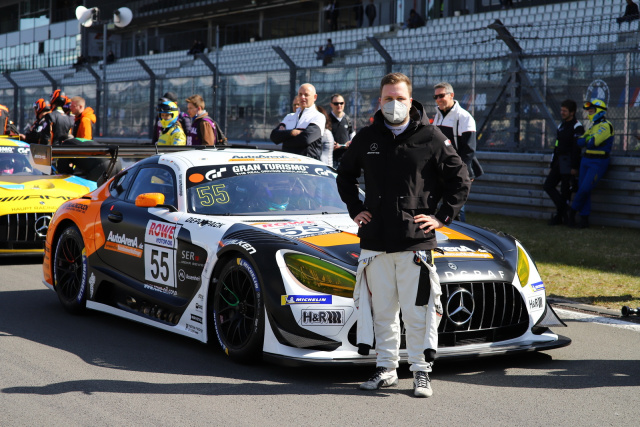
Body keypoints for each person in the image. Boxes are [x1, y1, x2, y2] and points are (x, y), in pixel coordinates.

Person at [336, 72, 470, 398]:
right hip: (376, 240)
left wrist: (441, 217)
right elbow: (345, 175)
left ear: (411, 101)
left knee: (417, 311)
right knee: (382, 311)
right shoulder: (367, 136)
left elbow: (461, 178)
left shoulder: (431, 136)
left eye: (399, 98)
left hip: (415, 240)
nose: (393, 104)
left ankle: (421, 371)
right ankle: (386, 368)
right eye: (388, 98)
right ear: (379, 101)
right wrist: (356, 209)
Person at [432, 82, 483, 222]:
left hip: (458, 170)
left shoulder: (464, 117)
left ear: (451, 95)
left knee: (457, 208)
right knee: (442, 207)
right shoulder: (437, 116)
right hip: (442, 170)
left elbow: (469, 151)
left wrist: (461, 173)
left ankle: (461, 234)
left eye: (441, 96)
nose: (438, 100)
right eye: (435, 97)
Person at [568, 99, 614, 229]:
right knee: (583, 189)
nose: (589, 112)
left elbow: (592, 142)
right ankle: (584, 219)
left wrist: (586, 139)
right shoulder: (592, 126)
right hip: (586, 159)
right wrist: (586, 139)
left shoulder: (606, 126)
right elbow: (579, 142)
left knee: (585, 188)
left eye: (591, 110)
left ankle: (572, 211)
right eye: (588, 110)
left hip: (598, 161)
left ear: (599, 111)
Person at [543, 100, 584, 226]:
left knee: (565, 191)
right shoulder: (561, 125)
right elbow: (557, 145)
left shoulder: (577, 126)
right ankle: (565, 211)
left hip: (569, 162)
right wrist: (552, 164)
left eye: (565, 111)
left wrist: (574, 166)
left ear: (572, 112)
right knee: (548, 185)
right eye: (561, 110)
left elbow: (577, 148)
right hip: (559, 161)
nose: (562, 113)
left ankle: (563, 217)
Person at [270, 83, 325, 160]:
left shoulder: (318, 117)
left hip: (308, 164)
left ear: (315, 97)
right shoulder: (289, 117)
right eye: (300, 94)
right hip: (288, 163)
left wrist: (284, 139)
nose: (302, 97)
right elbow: (274, 137)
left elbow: (306, 139)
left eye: (306, 95)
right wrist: (292, 132)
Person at [328, 93, 355, 169]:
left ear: (344, 103)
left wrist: (350, 143)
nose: (339, 105)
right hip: (331, 160)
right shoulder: (327, 120)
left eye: (341, 103)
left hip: (346, 159)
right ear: (331, 105)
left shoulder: (347, 119)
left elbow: (353, 136)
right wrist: (331, 145)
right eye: (336, 103)